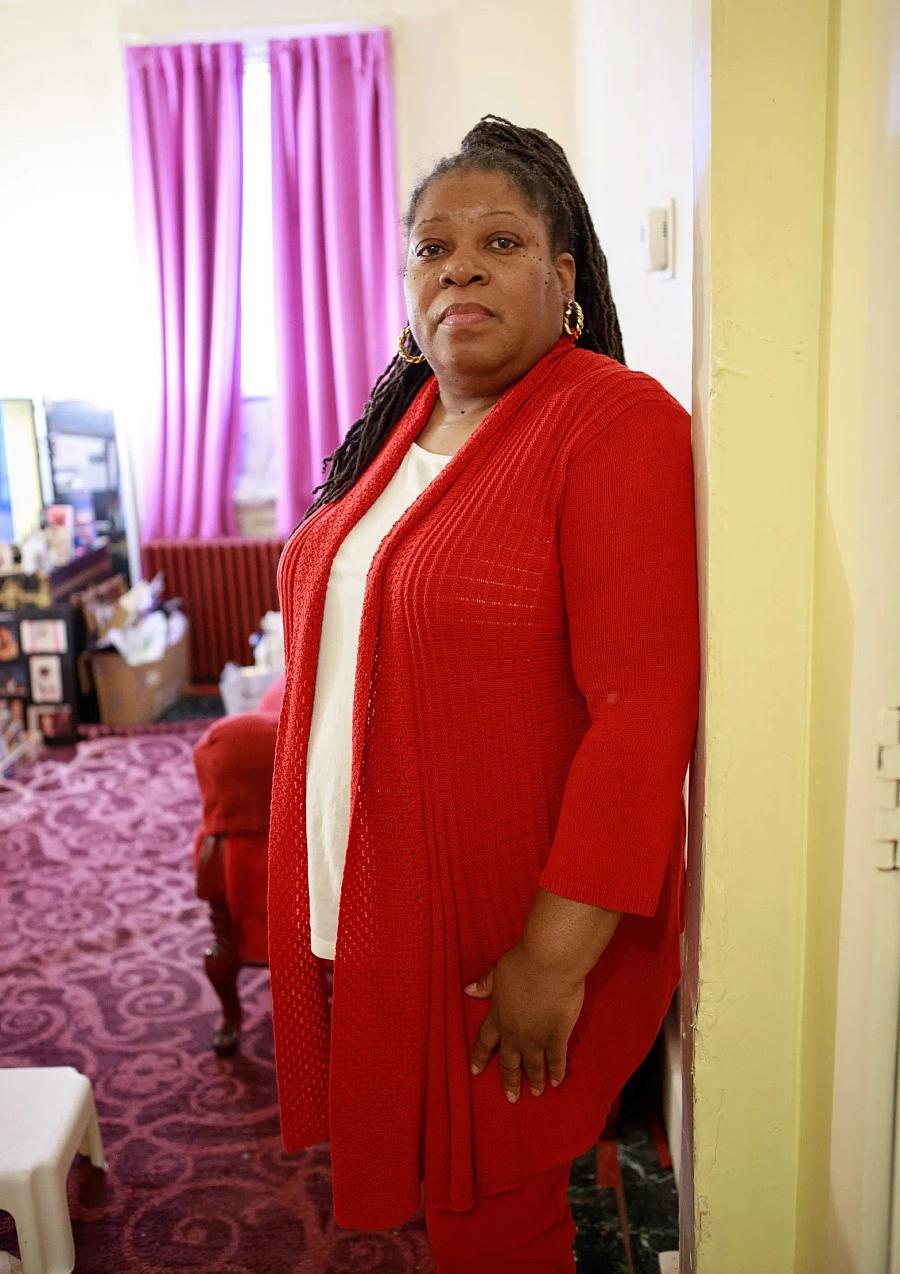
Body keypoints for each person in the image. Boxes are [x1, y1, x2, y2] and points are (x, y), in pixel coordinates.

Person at [267, 115, 701, 1272]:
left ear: (563, 279)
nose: (456, 263)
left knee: (497, 1226)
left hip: (503, 932)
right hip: (368, 898)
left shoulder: (612, 423)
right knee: (446, 1196)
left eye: (499, 240)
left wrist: (549, 960)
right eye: (430, 247)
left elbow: (644, 713)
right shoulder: (402, 431)